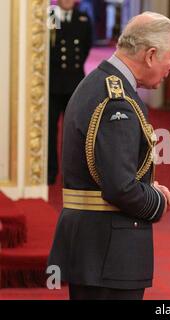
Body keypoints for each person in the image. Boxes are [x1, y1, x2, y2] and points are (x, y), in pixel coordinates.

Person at [48, 12, 170, 300]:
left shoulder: (101, 82)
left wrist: (146, 186)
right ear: (150, 55)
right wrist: (156, 201)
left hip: (95, 247)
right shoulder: (115, 101)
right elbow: (119, 186)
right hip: (109, 250)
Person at [48, 0, 93, 185]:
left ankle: (72, 174)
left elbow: (85, 47)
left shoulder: (82, 18)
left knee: (74, 132)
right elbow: (47, 47)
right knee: (50, 130)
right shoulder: (52, 15)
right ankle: (50, 171)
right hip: (53, 83)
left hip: (75, 83)